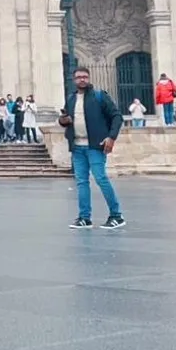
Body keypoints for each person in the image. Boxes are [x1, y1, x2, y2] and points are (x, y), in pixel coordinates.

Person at [59, 67, 126, 229]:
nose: (82, 79)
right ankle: (84, 217)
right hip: (77, 147)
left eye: (85, 77)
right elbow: (65, 120)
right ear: (74, 80)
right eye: (78, 77)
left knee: (101, 179)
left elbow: (117, 116)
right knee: (81, 182)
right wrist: (63, 120)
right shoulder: (71, 99)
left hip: (95, 145)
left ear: (88, 78)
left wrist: (111, 137)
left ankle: (116, 215)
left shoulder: (99, 96)